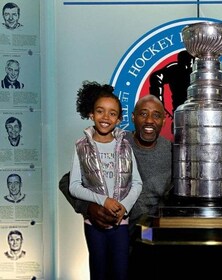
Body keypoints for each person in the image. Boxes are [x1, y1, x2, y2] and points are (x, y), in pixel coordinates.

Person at [60, 94, 172, 239]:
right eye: (143, 114)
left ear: (163, 120)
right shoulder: (117, 142)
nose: (149, 120)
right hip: (110, 230)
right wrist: (88, 207)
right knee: (101, 261)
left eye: (156, 116)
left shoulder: (173, 152)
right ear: (133, 117)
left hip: (149, 235)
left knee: (148, 256)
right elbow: (66, 182)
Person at [68, 81, 142, 280]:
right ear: (91, 114)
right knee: (99, 273)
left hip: (121, 223)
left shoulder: (126, 146)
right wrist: (103, 200)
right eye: (100, 111)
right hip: (93, 225)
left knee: (120, 273)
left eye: (112, 113)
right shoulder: (80, 147)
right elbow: (74, 186)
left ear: (119, 119)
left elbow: (137, 183)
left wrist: (123, 207)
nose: (105, 117)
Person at [149, 50, 195, 121]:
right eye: (185, 64)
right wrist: (159, 105)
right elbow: (156, 77)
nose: (187, 67)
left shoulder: (199, 70)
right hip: (179, 111)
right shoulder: (174, 69)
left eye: (189, 64)